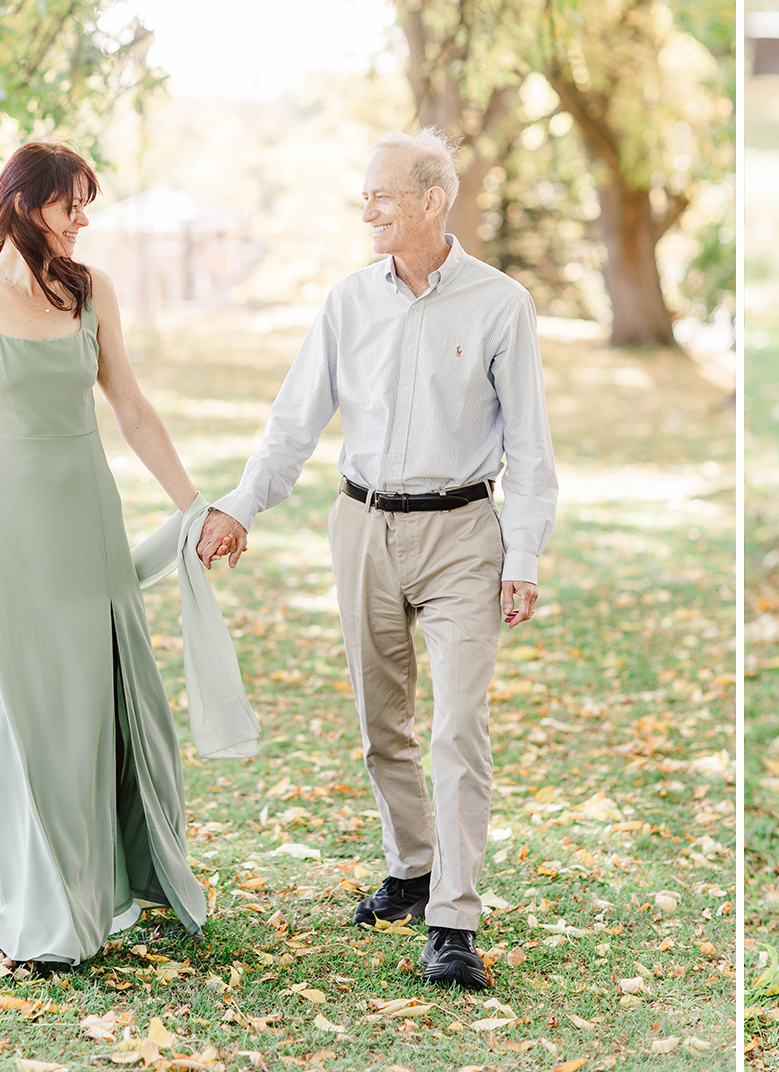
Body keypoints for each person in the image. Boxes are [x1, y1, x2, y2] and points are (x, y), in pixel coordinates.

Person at [195, 129, 557, 992]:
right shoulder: (347, 303)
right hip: (361, 527)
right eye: (365, 196)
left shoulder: (502, 304)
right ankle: (412, 865)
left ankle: (454, 923)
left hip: (465, 534)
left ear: (433, 200)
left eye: (382, 195)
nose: (368, 210)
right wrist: (240, 505)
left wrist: (524, 555)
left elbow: (531, 449)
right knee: (380, 726)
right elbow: (294, 425)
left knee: (457, 728)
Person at [0, 140, 229, 971]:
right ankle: (26, 909)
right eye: (73, 204)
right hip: (2, 531)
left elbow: (130, 408)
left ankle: (100, 889)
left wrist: (191, 505)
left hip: (86, 523)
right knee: (21, 722)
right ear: (27, 206)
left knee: (90, 711)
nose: (85, 219)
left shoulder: (93, 290)